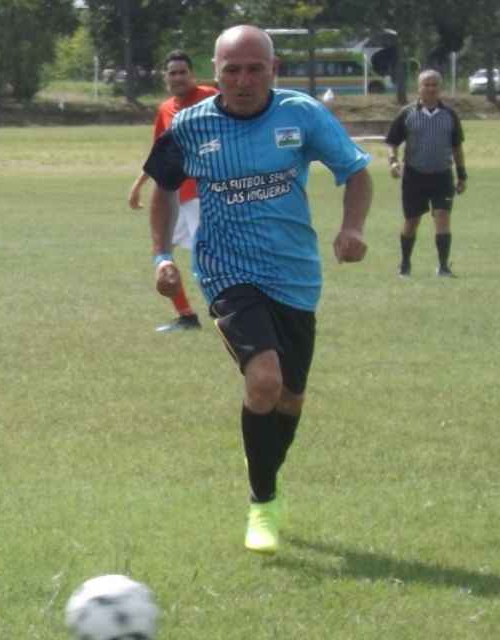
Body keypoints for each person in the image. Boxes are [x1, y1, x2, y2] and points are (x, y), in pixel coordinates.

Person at [141, 25, 372, 555]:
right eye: (232, 70)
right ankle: (262, 501)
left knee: (289, 397)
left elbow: (355, 172)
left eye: (255, 69)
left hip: (295, 275)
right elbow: (164, 191)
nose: (243, 80)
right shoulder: (189, 126)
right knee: (263, 380)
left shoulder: (302, 115)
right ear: (214, 74)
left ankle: (265, 466)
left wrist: (353, 227)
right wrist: (162, 257)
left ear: (275, 69)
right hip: (227, 273)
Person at [128, 51, 217, 333]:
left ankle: (230, 316)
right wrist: (139, 185)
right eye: (172, 73)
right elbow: (160, 154)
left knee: (209, 261)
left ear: (192, 74)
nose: (178, 77)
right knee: (163, 255)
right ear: (165, 78)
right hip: (174, 196)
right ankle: (186, 316)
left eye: (182, 72)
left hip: (203, 196)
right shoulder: (166, 109)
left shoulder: (212, 98)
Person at [385, 69, 467, 277]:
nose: (430, 89)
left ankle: (443, 266)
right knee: (412, 221)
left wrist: (462, 175)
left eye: (434, 85)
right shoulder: (407, 113)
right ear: (419, 88)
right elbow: (392, 142)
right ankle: (404, 264)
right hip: (414, 175)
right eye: (426, 85)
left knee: (442, 216)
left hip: (442, 175)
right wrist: (393, 162)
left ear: (440, 89)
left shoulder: (450, 115)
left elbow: (457, 147)